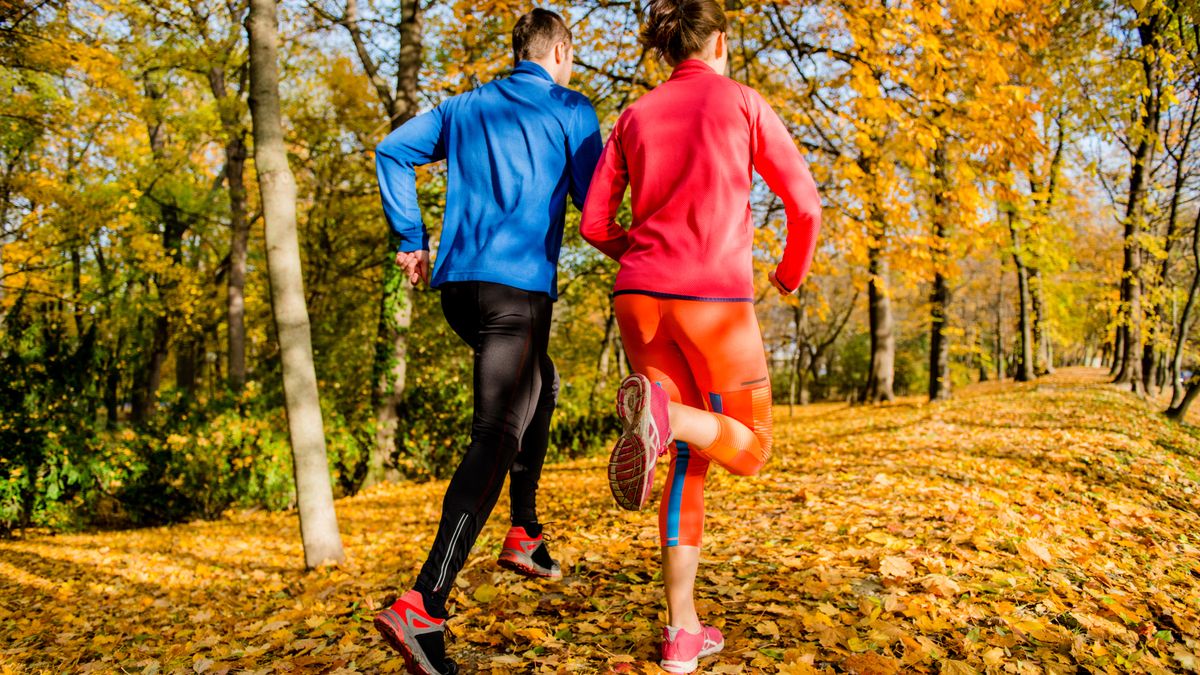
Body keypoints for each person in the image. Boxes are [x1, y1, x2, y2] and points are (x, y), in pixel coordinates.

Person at [579, 0, 822, 672]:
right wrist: (788, 275)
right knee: (753, 447)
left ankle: (682, 631)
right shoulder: (743, 102)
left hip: (639, 299)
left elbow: (595, 223)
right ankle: (666, 413)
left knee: (688, 456)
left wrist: (643, 253)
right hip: (712, 302)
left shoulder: (634, 115)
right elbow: (804, 204)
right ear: (719, 40)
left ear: (668, 50)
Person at [370, 9, 602, 675]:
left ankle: (524, 532)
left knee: (542, 385)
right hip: (516, 292)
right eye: (572, 56)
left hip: (459, 291)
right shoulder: (569, 108)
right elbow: (595, 204)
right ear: (559, 50)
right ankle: (424, 602)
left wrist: (410, 238)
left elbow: (392, 150)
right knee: (497, 433)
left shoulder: (465, 106)